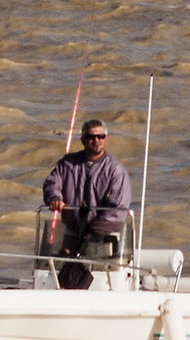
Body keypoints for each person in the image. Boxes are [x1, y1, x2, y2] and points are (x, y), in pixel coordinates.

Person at [43, 119, 132, 290]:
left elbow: (117, 212)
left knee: (97, 280)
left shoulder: (116, 171)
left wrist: (88, 236)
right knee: (61, 278)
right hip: (71, 233)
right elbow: (52, 183)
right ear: (83, 139)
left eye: (100, 136)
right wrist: (54, 197)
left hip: (101, 238)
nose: (96, 140)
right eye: (91, 137)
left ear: (106, 139)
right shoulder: (67, 164)